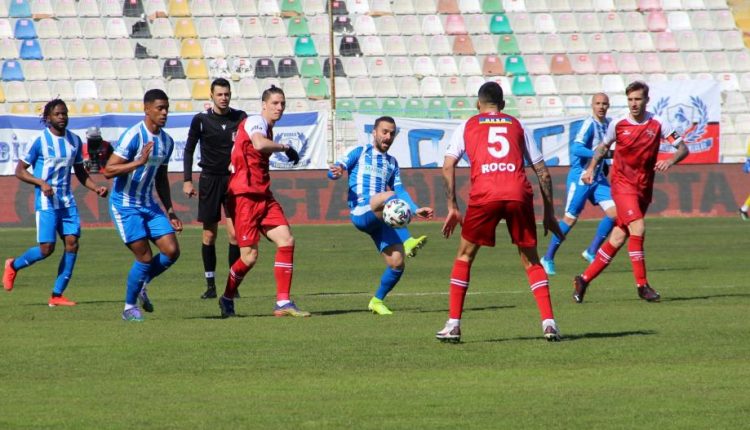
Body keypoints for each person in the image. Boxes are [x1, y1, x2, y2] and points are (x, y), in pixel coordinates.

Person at [435, 82, 564, 343]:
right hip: (518, 193)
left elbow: (448, 166)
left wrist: (452, 207)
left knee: (464, 256)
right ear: (503, 105)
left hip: (485, 195)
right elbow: (543, 173)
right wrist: (549, 213)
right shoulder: (518, 125)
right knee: (531, 260)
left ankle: (453, 324)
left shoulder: (468, 125)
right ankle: (549, 323)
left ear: (478, 104)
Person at [572, 81, 689, 303]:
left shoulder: (659, 123)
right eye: (630, 100)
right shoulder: (618, 124)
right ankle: (642, 285)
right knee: (638, 227)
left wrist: (670, 160)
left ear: (646, 100)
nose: (634, 104)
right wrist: (589, 168)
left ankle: (583, 279)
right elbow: (603, 147)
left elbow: (683, 148)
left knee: (618, 236)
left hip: (643, 187)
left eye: (638, 99)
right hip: (622, 185)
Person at [2, 99, 108, 305]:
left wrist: (96, 187)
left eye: (65, 113)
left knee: (72, 243)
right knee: (46, 249)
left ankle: (57, 295)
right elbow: (20, 170)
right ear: (48, 118)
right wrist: (40, 182)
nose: (62, 117)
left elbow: (79, 171)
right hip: (46, 201)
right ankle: (13, 266)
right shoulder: (39, 141)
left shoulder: (75, 141)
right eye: (58, 114)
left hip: (67, 201)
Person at [217, 85, 309, 318]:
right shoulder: (256, 121)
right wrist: (285, 148)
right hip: (244, 197)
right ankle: (227, 297)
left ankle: (283, 303)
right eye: (275, 103)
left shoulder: (266, 127)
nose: (279, 107)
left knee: (286, 240)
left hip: (263, 196)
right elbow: (258, 143)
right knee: (249, 256)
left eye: (282, 103)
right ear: (264, 105)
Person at [327, 116, 434, 315]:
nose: (388, 136)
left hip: (379, 214)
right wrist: (336, 172)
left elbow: (400, 190)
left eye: (392, 133)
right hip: (361, 210)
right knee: (389, 196)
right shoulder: (360, 152)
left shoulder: (392, 163)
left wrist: (415, 208)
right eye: (384, 132)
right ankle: (409, 240)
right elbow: (336, 169)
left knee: (397, 261)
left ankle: (377, 301)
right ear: (374, 133)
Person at [103, 89, 182, 322]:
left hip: (149, 204)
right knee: (145, 258)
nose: (165, 112)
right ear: (147, 109)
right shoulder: (134, 136)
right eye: (160, 108)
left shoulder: (166, 141)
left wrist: (170, 210)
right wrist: (138, 162)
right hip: (125, 205)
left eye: (167, 107)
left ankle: (143, 284)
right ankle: (129, 307)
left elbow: (161, 178)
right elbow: (108, 170)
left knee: (171, 251)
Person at [183, 78, 247, 299]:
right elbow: (189, 150)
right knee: (209, 235)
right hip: (209, 180)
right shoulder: (201, 120)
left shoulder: (240, 118)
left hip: (233, 180)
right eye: (219, 94)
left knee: (235, 236)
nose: (224, 98)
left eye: (227, 94)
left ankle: (232, 286)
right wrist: (187, 180)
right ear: (211, 96)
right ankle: (210, 286)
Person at [541, 93, 617, 275]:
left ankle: (591, 251)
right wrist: (598, 155)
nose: (601, 107)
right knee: (570, 219)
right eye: (598, 103)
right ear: (592, 105)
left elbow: (606, 150)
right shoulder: (589, 124)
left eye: (604, 104)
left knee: (616, 214)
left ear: (609, 105)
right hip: (581, 178)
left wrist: (606, 162)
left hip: (597, 179)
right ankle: (548, 257)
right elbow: (576, 148)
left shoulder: (607, 125)